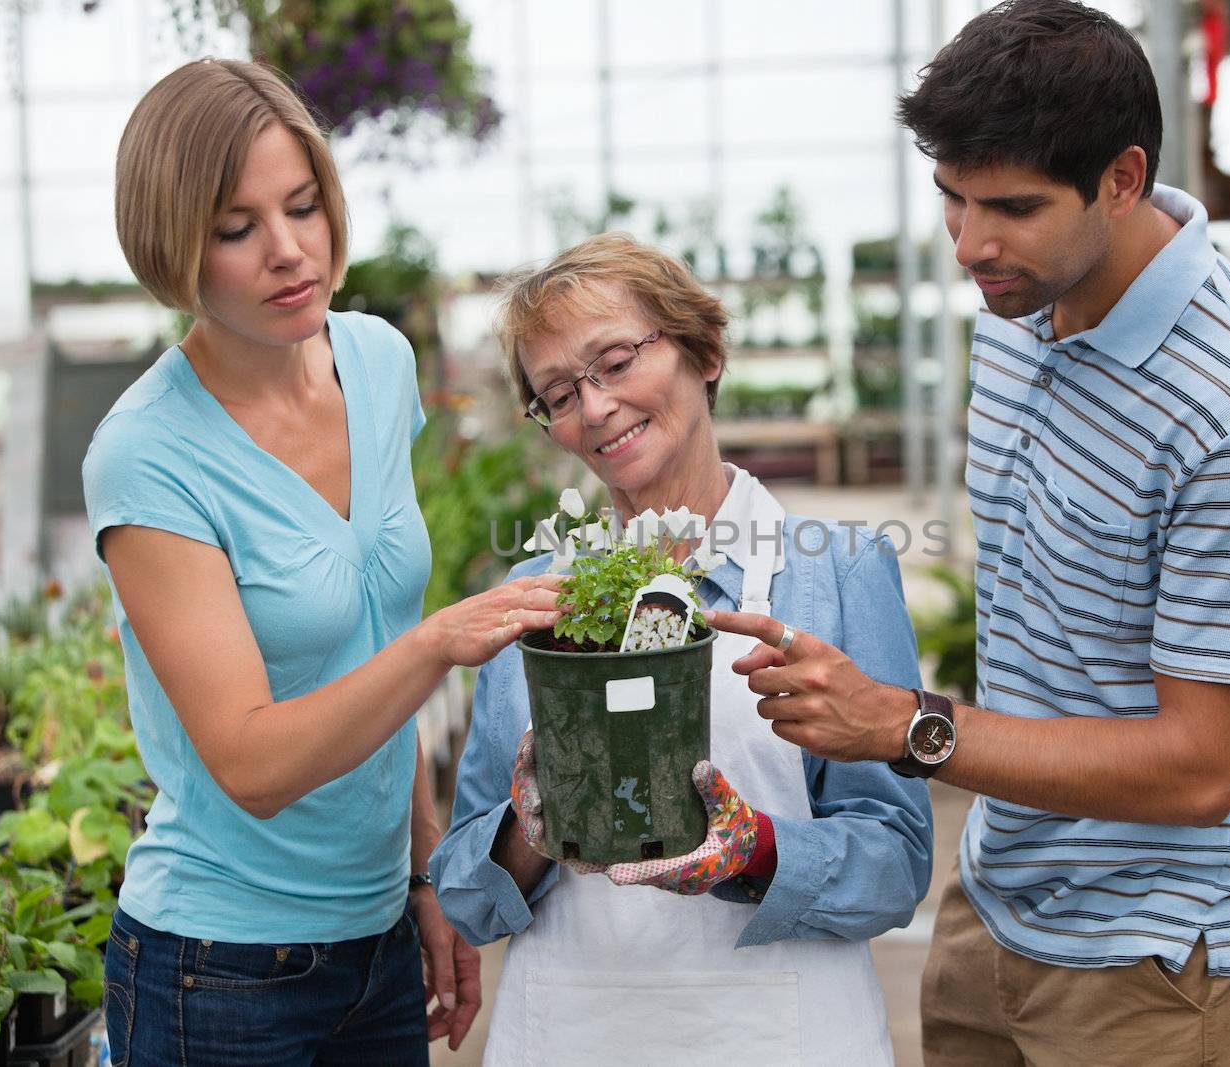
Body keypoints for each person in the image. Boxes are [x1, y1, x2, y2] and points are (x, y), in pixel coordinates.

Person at [712, 3, 1230, 1064]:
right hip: (1001, 902)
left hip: (1164, 961)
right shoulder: (1020, 305)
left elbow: (1199, 768)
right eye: (950, 199)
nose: (969, 244)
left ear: (1123, 178)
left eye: (1010, 206)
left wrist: (906, 725)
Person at [83, 59, 561, 1066]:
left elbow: (370, 641)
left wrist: (425, 876)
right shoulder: (149, 454)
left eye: (303, 205)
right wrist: (442, 642)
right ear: (174, 246)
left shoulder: (378, 363)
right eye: (236, 227)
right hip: (218, 969)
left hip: (379, 946)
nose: (291, 250)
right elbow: (251, 762)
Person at [429, 233, 934, 1065]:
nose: (593, 409)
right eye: (557, 393)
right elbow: (469, 897)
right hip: (573, 1033)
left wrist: (755, 850)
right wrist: (527, 829)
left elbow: (898, 859)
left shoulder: (834, 573)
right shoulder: (533, 596)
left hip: (787, 1037)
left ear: (704, 349)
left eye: (617, 360)